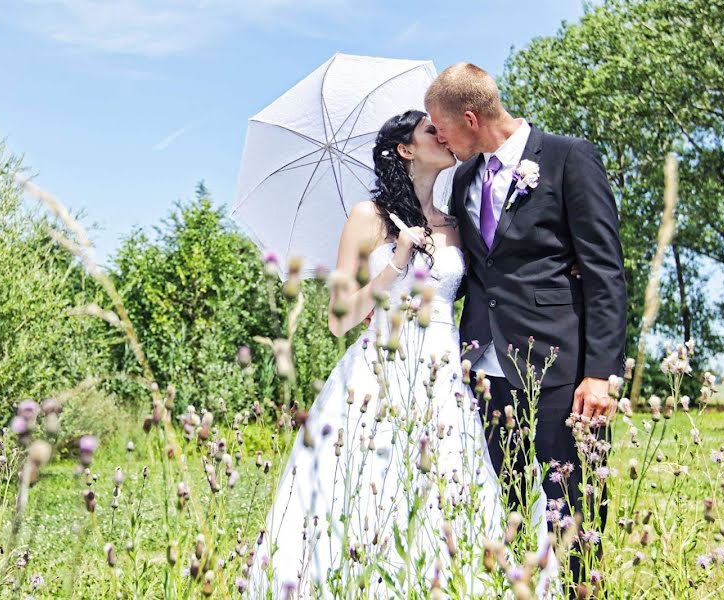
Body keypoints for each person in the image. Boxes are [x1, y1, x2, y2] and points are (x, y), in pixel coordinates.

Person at [248, 110, 558, 598]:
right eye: (431, 131)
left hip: (445, 374)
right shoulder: (367, 218)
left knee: (446, 487)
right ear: (405, 150)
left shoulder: (455, 223)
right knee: (373, 483)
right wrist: (396, 262)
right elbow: (340, 318)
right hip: (381, 370)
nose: (444, 135)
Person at [425, 62, 627, 591]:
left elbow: (605, 269)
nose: (439, 138)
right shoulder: (464, 177)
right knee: (503, 503)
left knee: (573, 502)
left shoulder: (566, 158)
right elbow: (479, 270)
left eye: (440, 126)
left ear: (469, 118)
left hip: (560, 366)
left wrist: (601, 373)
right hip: (485, 369)